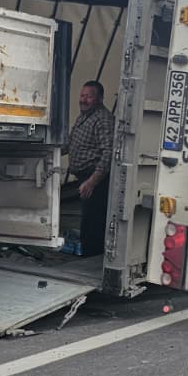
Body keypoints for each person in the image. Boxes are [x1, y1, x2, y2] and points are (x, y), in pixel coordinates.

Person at [64, 80, 112, 256]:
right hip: (84, 178)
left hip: (97, 181)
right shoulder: (84, 116)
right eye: (82, 95)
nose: (83, 100)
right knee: (87, 222)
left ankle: (92, 261)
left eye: (89, 96)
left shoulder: (103, 119)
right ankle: (87, 256)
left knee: (93, 224)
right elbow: (70, 143)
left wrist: (92, 182)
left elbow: (108, 153)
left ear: (99, 99)